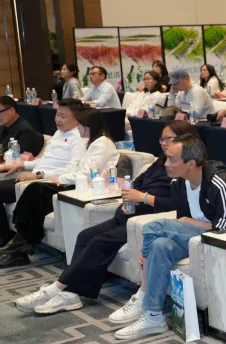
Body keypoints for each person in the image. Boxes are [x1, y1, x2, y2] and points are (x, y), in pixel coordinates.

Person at [14, 121, 195, 315]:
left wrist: (143, 198)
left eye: (169, 139)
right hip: (127, 213)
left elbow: (178, 205)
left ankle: (58, 287)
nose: (164, 143)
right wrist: (129, 199)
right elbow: (136, 183)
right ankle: (71, 294)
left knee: (100, 242)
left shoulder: (183, 168)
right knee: (85, 235)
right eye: (162, 139)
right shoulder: (160, 163)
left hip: (145, 221)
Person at [114, 134, 226, 340]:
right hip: (192, 241)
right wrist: (149, 252)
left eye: (172, 159)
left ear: (191, 163)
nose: (166, 164)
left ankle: (142, 294)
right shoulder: (178, 183)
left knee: (154, 227)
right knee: (159, 245)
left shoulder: (220, 182)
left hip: (217, 241)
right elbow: (181, 222)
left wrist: (192, 223)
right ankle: (153, 316)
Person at [0, 107, 118, 267]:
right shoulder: (93, 142)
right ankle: (20, 245)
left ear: (89, 126)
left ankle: (19, 246)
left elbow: (88, 172)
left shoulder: (102, 143)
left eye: (80, 125)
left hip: (84, 187)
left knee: (37, 191)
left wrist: (61, 178)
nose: (77, 129)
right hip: (75, 183)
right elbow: (77, 169)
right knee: (35, 191)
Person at [0, 99, 87, 265]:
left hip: (52, 181)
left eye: (63, 116)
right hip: (35, 175)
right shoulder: (59, 133)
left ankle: (13, 245)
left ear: (77, 118)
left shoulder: (80, 138)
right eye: (57, 114)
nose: (57, 119)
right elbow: (45, 160)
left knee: (33, 192)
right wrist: (21, 165)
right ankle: (6, 239)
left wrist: (38, 175)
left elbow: (72, 170)